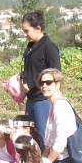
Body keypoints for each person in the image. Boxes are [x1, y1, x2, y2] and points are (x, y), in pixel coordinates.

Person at [21, 10, 61, 142]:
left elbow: (55, 73)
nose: (24, 34)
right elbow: (35, 68)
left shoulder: (48, 47)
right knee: (30, 135)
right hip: (31, 99)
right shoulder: (32, 46)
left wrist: (32, 83)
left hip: (42, 100)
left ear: (38, 28)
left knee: (44, 137)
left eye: (27, 31)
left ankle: (47, 162)